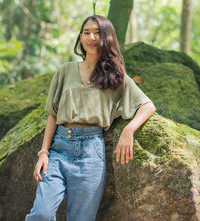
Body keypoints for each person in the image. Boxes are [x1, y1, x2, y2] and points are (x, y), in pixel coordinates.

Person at [25, 15, 156, 221]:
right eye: (86, 32)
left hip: (91, 153)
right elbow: (53, 113)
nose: (91, 37)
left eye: (97, 33)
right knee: (40, 214)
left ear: (107, 38)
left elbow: (148, 105)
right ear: (80, 37)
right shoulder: (65, 71)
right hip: (59, 148)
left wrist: (128, 130)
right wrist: (44, 153)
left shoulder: (116, 76)